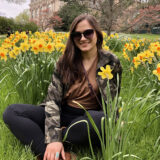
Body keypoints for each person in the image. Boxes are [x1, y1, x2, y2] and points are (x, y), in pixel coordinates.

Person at [3, 14, 122, 160]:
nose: (83, 38)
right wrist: (53, 138)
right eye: (77, 35)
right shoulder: (65, 62)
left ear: (97, 33)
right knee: (12, 112)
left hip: (86, 118)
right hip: (61, 112)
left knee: (101, 119)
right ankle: (53, 153)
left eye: (88, 33)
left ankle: (55, 135)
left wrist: (115, 126)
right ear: (72, 38)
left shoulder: (111, 62)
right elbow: (52, 101)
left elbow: (112, 99)